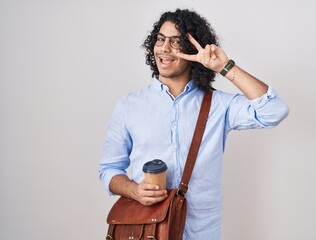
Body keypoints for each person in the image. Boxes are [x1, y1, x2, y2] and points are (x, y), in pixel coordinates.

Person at [99, 8, 289, 239]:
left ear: (193, 50)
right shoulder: (129, 105)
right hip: (147, 230)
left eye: (176, 42)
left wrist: (224, 67)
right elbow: (109, 169)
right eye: (160, 39)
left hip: (202, 232)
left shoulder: (219, 105)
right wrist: (134, 191)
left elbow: (274, 110)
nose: (164, 48)